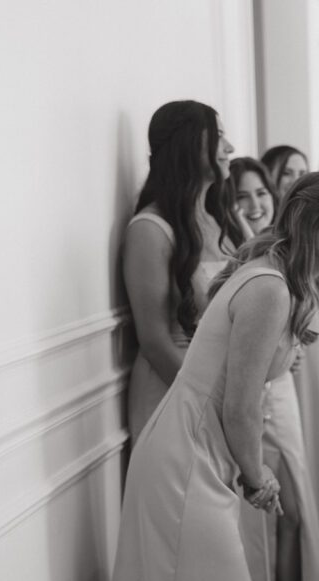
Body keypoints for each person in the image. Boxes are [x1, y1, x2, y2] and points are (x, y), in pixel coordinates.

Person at [95, 170, 319, 581]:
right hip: (185, 462)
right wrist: (259, 478)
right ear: (313, 220)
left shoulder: (276, 278)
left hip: (195, 453)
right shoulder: (270, 288)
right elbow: (239, 408)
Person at [229, 157, 319, 581]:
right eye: (243, 196)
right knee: (282, 510)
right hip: (256, 397)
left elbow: (307, 328)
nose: (256, 204)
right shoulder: (259, 266)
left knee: (296, 508)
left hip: (279, 390)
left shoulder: (286, 264)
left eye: (262, 194)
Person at [123, 100, 246, 443]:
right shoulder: (150, 229)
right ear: (189, 143)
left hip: (221, 394)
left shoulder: (222, 221)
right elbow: (154, 341)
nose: (230, 148)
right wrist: (211, 398)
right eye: (219, 136)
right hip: (172, 390)